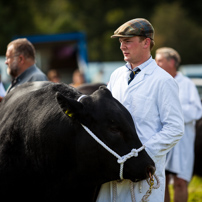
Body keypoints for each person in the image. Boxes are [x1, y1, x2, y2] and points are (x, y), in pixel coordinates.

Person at [96, 18, 184, 202]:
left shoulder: (163, 81)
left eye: (127, 41)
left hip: (145, 172)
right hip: (113, 171)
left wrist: (141, 155)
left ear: (146, 42)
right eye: (120, 42)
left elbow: (175, 128)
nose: (122, 47)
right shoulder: (117, 75)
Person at [155, 47, 202, 202]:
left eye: (160, 60)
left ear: (172, 62)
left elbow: (196, 111)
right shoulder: (157, 82)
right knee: (162, 181)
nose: (156, 63)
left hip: (182, 144)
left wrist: (172, 111)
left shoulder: (187, 84)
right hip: (162, 139)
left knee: (180, 182)